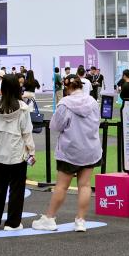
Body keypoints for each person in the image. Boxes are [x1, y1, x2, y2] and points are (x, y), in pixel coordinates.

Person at [32, 75, 101, 233]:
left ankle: (49, 218)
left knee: (62, 186)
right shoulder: (92, 102)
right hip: (90, 149)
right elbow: (97, 121)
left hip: (70, 150)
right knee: (85, 185)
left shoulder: (65, 103)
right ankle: (80, 220)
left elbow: (55, 126)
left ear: (67, 87)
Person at [0, 74, 35, 230]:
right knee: (16, 190)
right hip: (17, 154)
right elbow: (27, 133)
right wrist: (32, 152)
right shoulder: (23, 108)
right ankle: (12, 223)